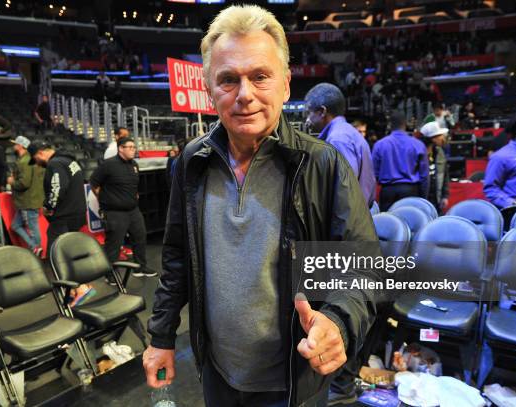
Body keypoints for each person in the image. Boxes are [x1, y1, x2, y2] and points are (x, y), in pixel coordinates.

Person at [143, 5, 377, 407]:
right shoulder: (191, 163)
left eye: (260, 76)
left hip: (292, 380)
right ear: (209, 88)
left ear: (286, 85)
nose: (245, 94)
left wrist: (339, 321)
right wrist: (162, 337)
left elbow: (360, 265)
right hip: (217, 372)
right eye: (229, 79)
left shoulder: (322, 164)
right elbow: (178, 258)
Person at [90, 137, 156, 276]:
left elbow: (133, 185)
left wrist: (133, 194)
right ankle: (110, 275)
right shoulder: (108, 165)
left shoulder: (134, 165)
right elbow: (94, 184)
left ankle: (140, 268)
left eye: (134, 147)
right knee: (113, 245)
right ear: (121, 148)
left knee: (140, 238)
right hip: (114, 212)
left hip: (133, 210)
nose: (133, 149)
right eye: (130, 147)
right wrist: (104, 199)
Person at [304, 83, 376, 207]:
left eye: (309, 113)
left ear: (322, 112)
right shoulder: (347, 131)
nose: (307, 120)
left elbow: (344, 190)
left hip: (350, 220)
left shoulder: (337, 139)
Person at [27, 140, 86, 252]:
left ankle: (59, 270)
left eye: (35, 159)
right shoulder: (69, 160)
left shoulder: (55, 163)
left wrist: (48, 207)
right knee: (72, 251)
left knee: (55, 253)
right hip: (77, 214)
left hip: (64, 217)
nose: (37, 163)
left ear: (40, 153)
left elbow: (58, 187)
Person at [372, 111, 429, 212]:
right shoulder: (417, 144)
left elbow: (373, 173)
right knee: (411, 223)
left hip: (388, 191)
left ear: (390, 125)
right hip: (411, 191)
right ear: (405, 124)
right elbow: (424, 176)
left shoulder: (380, 145)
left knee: (389, 224)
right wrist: (423, 198)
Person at [7, 136, 45, 256]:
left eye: (16, 143)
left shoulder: (24, 161)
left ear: (20, 146)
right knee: (15, 225)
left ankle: (36, 248)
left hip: (27, 201)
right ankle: (35, 247)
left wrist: (11, 181)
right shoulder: (33, 159)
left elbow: (24, 183)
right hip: (31, 199)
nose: (14, 145)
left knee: (33, 228)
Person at [420, 121, 450, 212]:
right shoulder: (418, 153)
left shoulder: (440, 152)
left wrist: (445, 195)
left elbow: (445, 175)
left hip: (436, 199)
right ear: (433, 138)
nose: (443, 138)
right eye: (440, 135)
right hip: (421, 200)